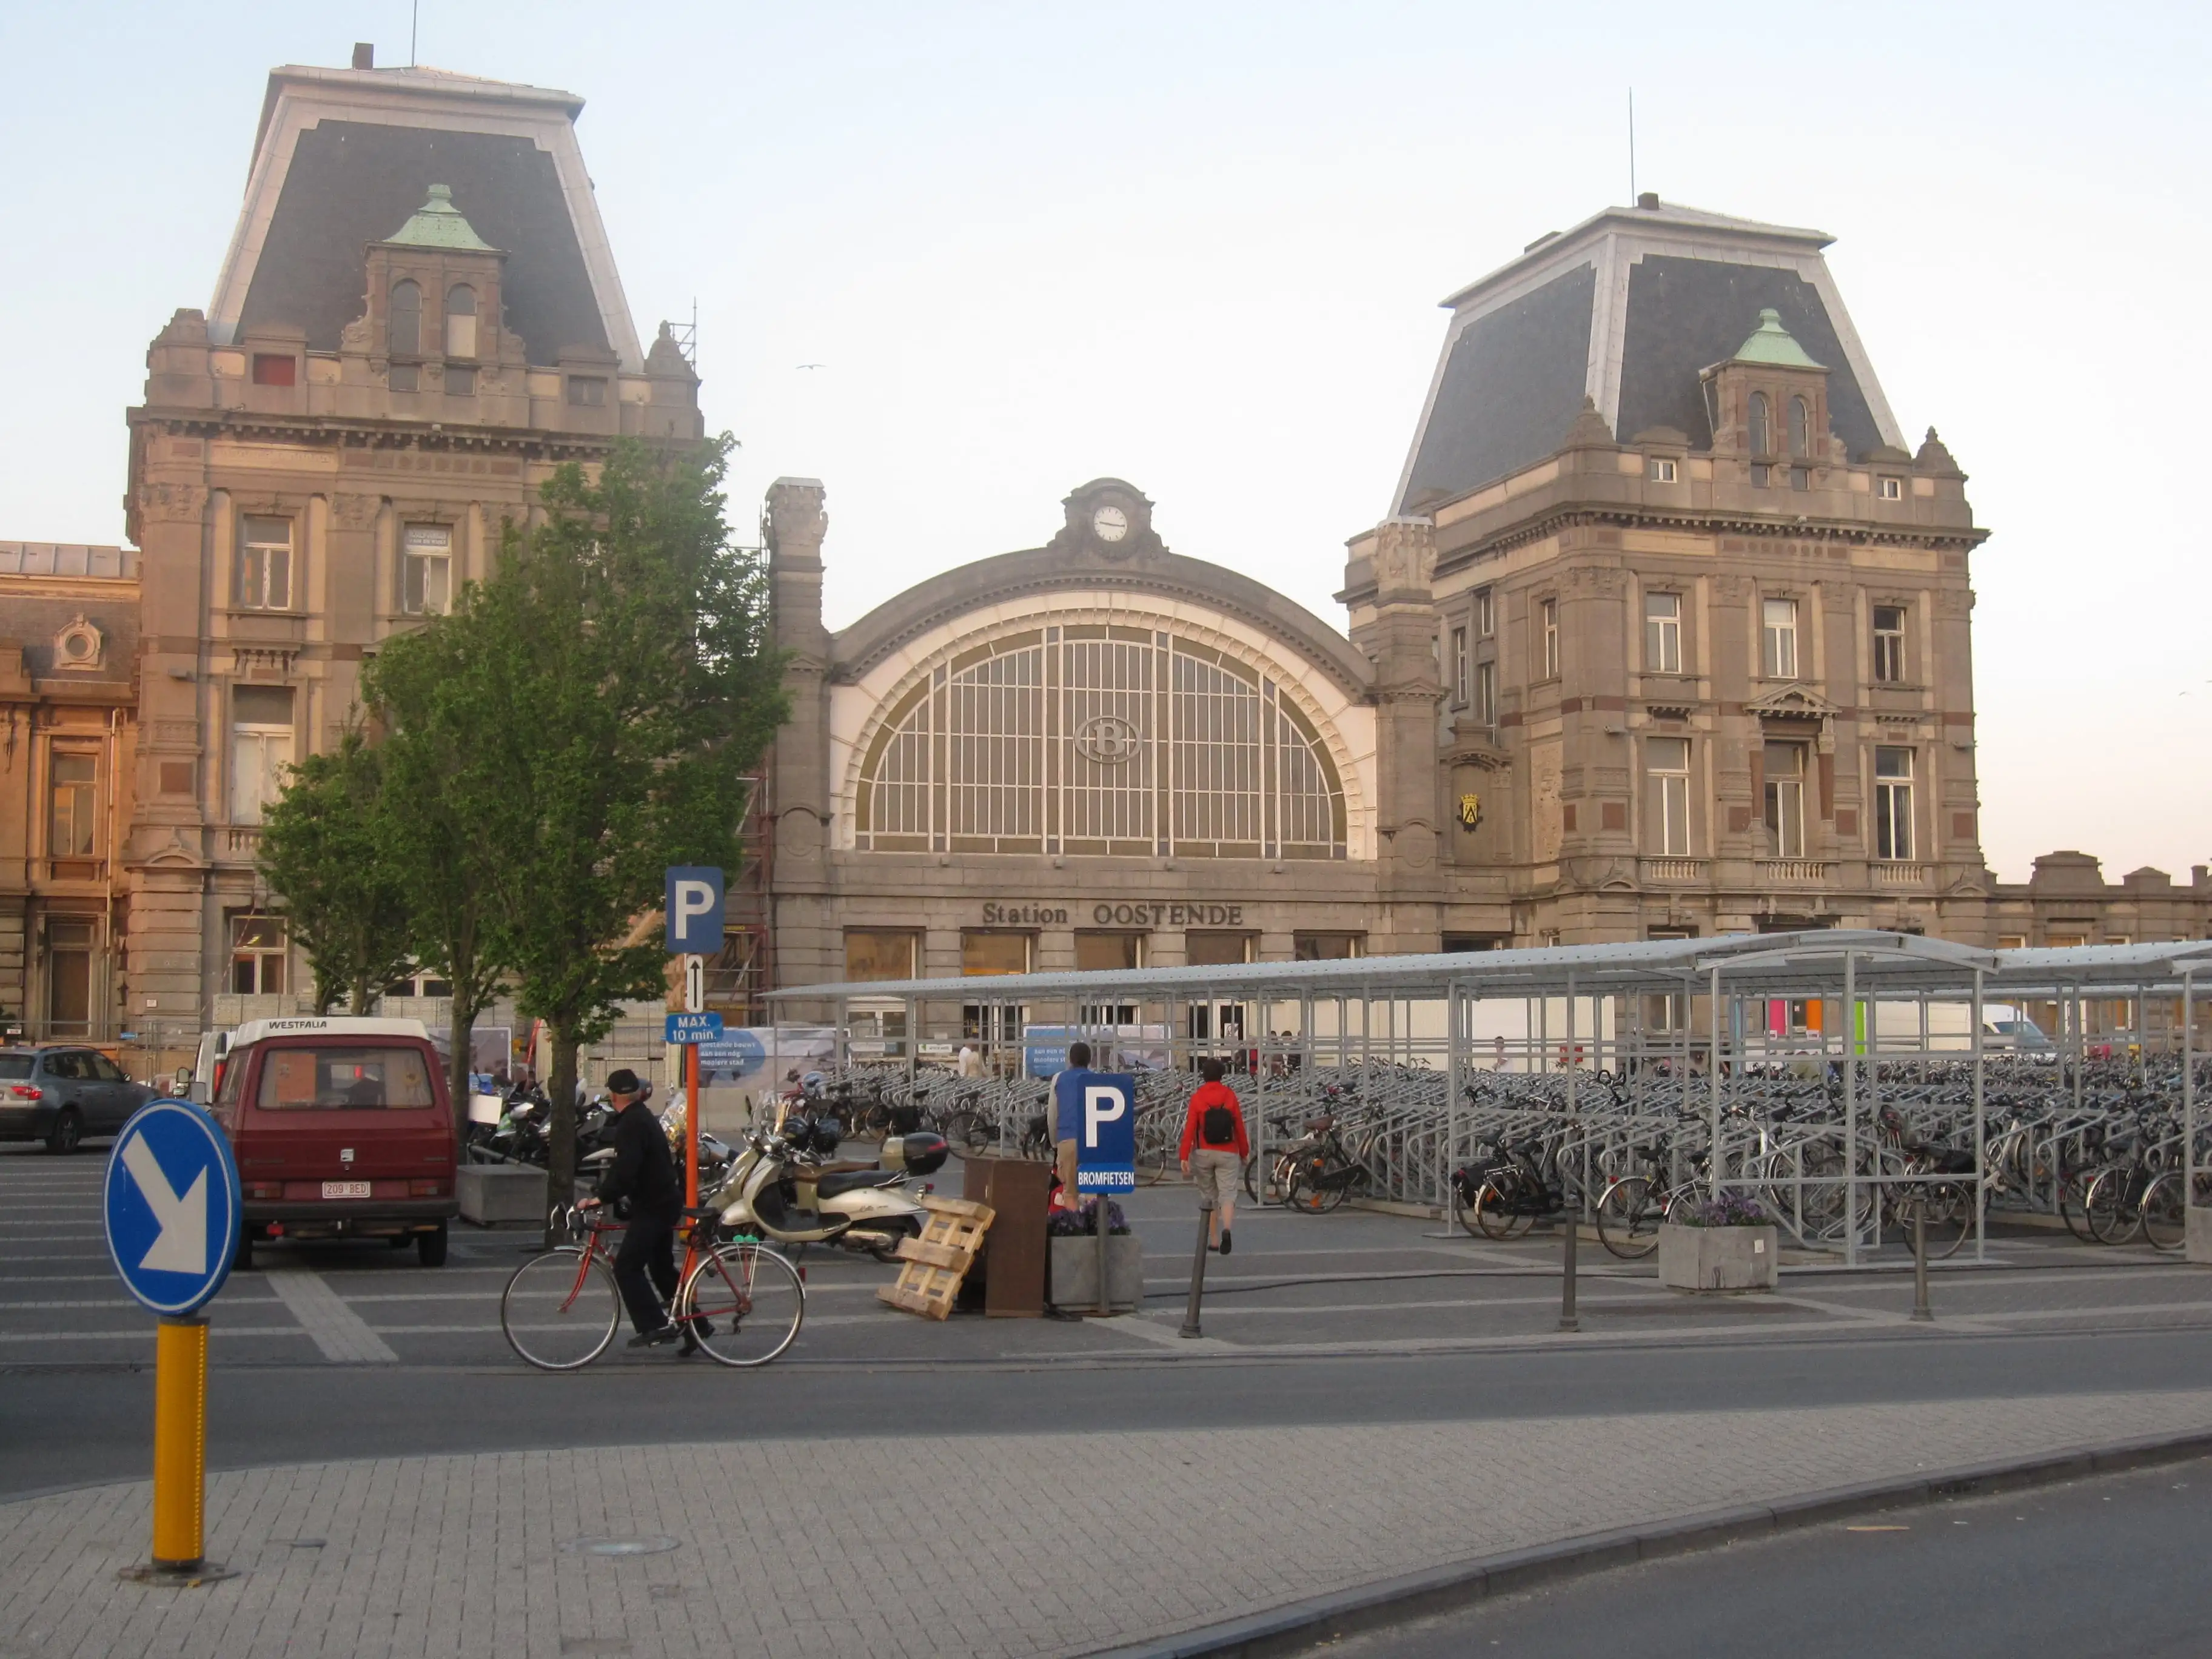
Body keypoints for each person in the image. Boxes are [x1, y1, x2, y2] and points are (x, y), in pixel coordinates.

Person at [582, 1068, 695, 1353]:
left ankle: (654, 1326)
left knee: (627, 1267)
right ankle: (697, 1327)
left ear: (613, 1095)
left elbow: (626, 1171)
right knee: (660, 1268)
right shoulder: (642, 1116)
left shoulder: (631, 1124)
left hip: (654, 1206)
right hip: (662, 1201)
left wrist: (600, 1198)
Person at [1179, 1057, 1250, 1253]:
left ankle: (1214, 1240)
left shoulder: (1198, 1097)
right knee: (1228, 1194)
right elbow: (1239, 1127)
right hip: (1228, 1151)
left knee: (1209, 1196)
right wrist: (1244, 1152)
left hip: (1203, 1153)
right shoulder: (1230, 1096)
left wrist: (1184, 1156)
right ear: (1222, 1075)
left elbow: (1191, 1129)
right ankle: (1227, 1228)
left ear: (1203, 1075)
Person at [1048, 1041, 1096, 1210]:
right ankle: (1096, 1228)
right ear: (1089, 1060)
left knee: (1070, 1192)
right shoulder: (1097, 1079)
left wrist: (1055, 1143)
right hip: (1091, 1141)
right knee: (1093, 1189)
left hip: (1066, 1138)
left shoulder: (1058, 1079)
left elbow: (1053, 1115)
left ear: (1070, 1059)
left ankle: (1074, 1229)